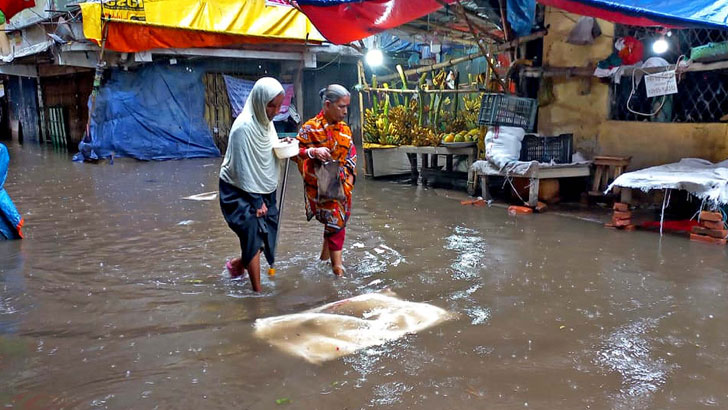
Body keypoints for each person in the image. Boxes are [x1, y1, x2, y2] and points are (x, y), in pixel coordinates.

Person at [219, 77, 285, 292]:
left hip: (263, 187)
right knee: (253, 231)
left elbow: (268, 152)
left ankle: (237, 265)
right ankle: (257, 292)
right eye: (270, 105)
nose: (274, 111)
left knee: (268, 232)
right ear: (258, 101)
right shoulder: (243, 128)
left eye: (278, 106)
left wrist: (285, 146)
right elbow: (243, 169)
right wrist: (256, 202)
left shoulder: (267, 125)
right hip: (237, 190)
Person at [295, 84, 356, 276]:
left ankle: (323, 259)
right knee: (335, 222)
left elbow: (351, 155)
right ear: (328, 105)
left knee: (337, 222)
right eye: (341, 107)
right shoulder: (310, 128)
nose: (345, 111)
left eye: (347, 107)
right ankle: (337, 269)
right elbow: (293, 152)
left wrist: (351, 177)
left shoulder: (345, 129)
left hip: (342, 185)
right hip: (319, 186)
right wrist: (312, 152)